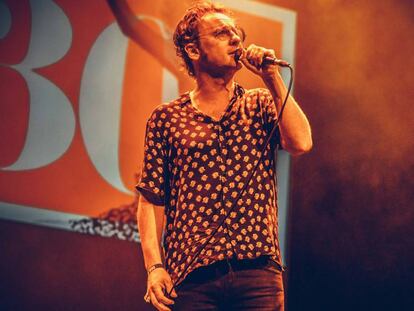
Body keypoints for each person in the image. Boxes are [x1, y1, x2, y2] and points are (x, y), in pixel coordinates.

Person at [109, 1, 312, 310]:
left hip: (257, 273)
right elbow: (149, 199)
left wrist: (272, 77)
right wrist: (154, 267)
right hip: (192, 279)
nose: (235, 39)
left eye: (236, 32)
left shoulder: (258, 103)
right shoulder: (167, 118)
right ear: (193, 50)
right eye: (221, 33)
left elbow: (301, 142)